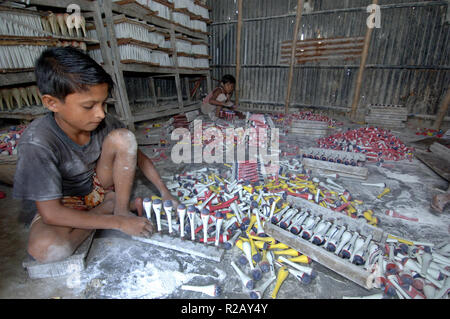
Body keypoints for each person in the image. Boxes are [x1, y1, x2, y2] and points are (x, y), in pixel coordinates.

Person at [13, 47, 179, 263]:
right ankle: (109, 211)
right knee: (47, 250)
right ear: (51, 102)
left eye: (103, 103)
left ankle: (118, 207)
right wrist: (118, 223)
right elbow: (52, 213)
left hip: (98, 187)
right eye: (89, 106)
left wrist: (164, 192)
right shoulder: (37, 142)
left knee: (124, 138)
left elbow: (139, 157)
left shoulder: (103, 122)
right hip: (64, 202)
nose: (100, 113)